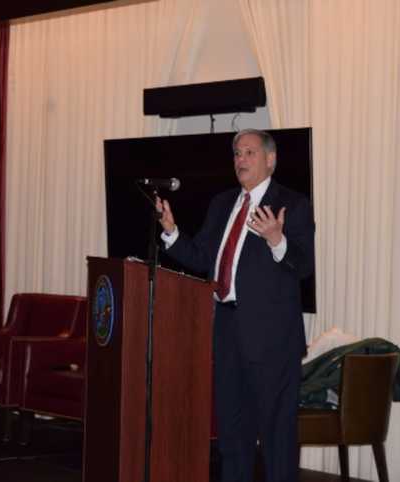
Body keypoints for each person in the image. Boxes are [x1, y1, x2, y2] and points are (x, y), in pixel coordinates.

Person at [156, 129, 315, 482]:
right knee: (232, 435)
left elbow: (304, 266)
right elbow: (202, 258)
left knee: (277, 438)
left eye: (249, 153)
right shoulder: (223, 203)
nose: (240, 160)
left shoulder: (292, 204)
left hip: (272, 340)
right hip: (227, 330)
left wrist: (277, 239)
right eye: (236, 153)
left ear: (270, 159)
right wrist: (171, 232)